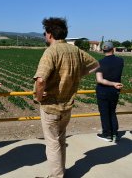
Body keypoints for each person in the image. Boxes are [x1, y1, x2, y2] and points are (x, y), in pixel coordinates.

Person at [33, 17, 99, 178]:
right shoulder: (75, 50)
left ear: (49, 34)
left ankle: (56, 176)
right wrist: (76, 75)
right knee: (60, 140)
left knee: (53, 143)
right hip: (67, 107)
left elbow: (40, 80)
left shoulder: (51, 52)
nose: (45, 36)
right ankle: (61, 171)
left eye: (44, 33)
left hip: (51, 107)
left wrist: (39, 97)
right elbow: (96, 64)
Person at [96, 41, 124, 142]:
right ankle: (115, 134)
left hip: (103, 90)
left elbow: (100, 80)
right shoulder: (120, 60)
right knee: (112, 112)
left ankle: (107, 135)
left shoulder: (100, 62)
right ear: (113, 49)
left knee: (104, 113)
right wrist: (114, 84)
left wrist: (112, 83)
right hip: (115, 91)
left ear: (103, 50)